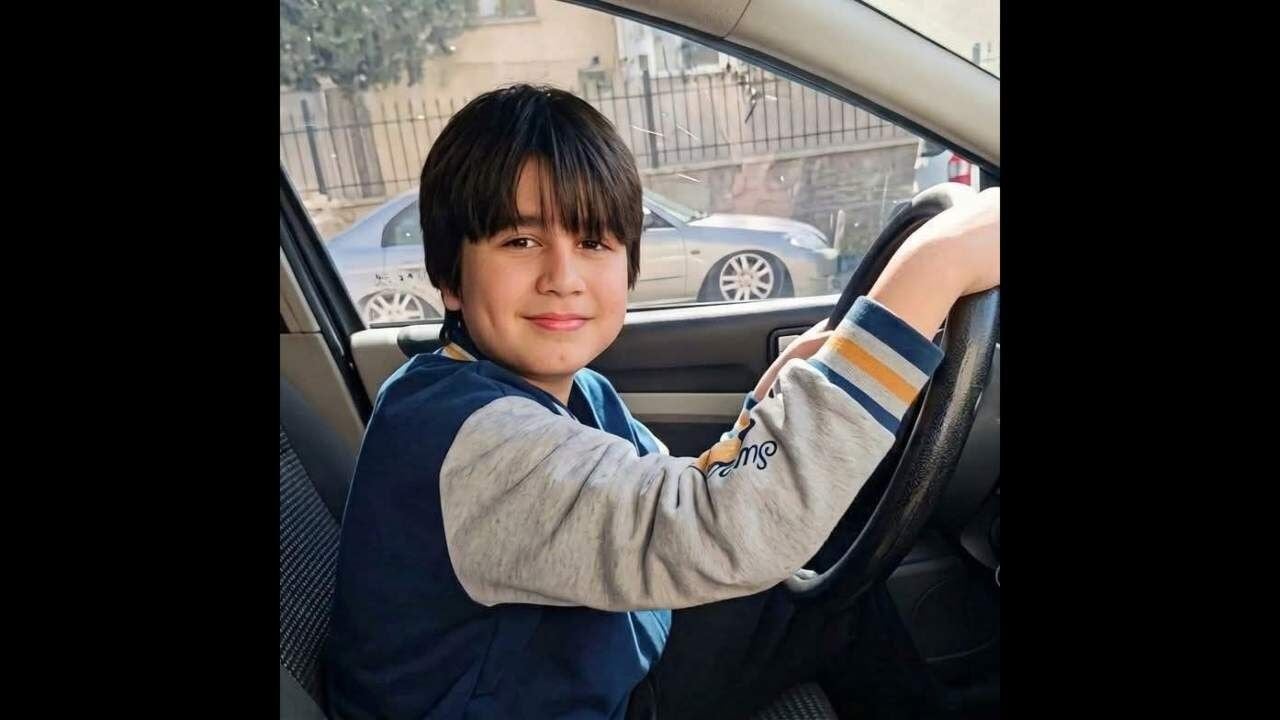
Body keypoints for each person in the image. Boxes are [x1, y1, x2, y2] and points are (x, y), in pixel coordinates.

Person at [323, 83, 1000, 720]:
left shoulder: (568, 392)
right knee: (835, 602)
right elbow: (722, 526)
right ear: (449, 275)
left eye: (593, 242)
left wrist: (782, 384)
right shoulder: (474, 439)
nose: (563, 277)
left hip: (578, 660)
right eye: (521, 241)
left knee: (829, 588)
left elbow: (684, 497)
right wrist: (935, 267)